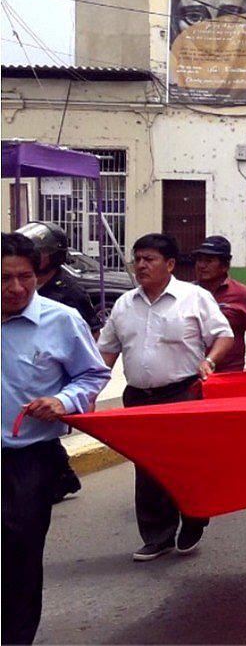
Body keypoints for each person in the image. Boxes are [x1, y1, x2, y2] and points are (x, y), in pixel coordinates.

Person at [96, 233, 234, 561]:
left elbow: (223, 335)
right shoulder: (124, 304)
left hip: (183, 393)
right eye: (137, 259)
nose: (141, 265)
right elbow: (106, 355)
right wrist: (87, 394)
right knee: (147, 468)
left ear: (170, 264)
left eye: (150, 259)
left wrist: (210, 360)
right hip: (138, 398)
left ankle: (195, 516)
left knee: (184, 463)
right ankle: (157, 536)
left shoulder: (194, 297)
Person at [2, 233, 110, 646]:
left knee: (20, 556)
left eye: (25, 278)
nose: (16, 288)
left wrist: (65, 400)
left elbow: (94, 373)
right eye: (5, 278)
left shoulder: (61, 320)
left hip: (29, 459)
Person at [15, 222, 97, 503]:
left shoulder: (68, 297)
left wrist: (71, 396)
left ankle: (60, 477)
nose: (15, 287)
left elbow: (88, 343)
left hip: (35, 427)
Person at [193, 236, 246, 373]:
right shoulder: (188, 293)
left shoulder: (241, 294)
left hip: (230, 372)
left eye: (209, 261)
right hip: (193, 372)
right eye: (199, 260)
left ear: (225, 266)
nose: (202, 266)